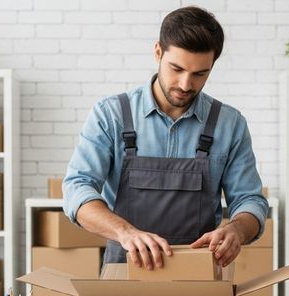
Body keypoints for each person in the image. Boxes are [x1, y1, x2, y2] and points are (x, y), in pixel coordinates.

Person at [62, 6, 269, 271]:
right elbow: (77, 188)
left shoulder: (229, 124)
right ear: (158, 52)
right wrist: (125, 232)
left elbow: (250, 200)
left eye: (199, 74)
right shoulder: (111, 114)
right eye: (176, 68)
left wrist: (237, 230)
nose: (185, 84)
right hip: (124, 270)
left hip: (198, 274)